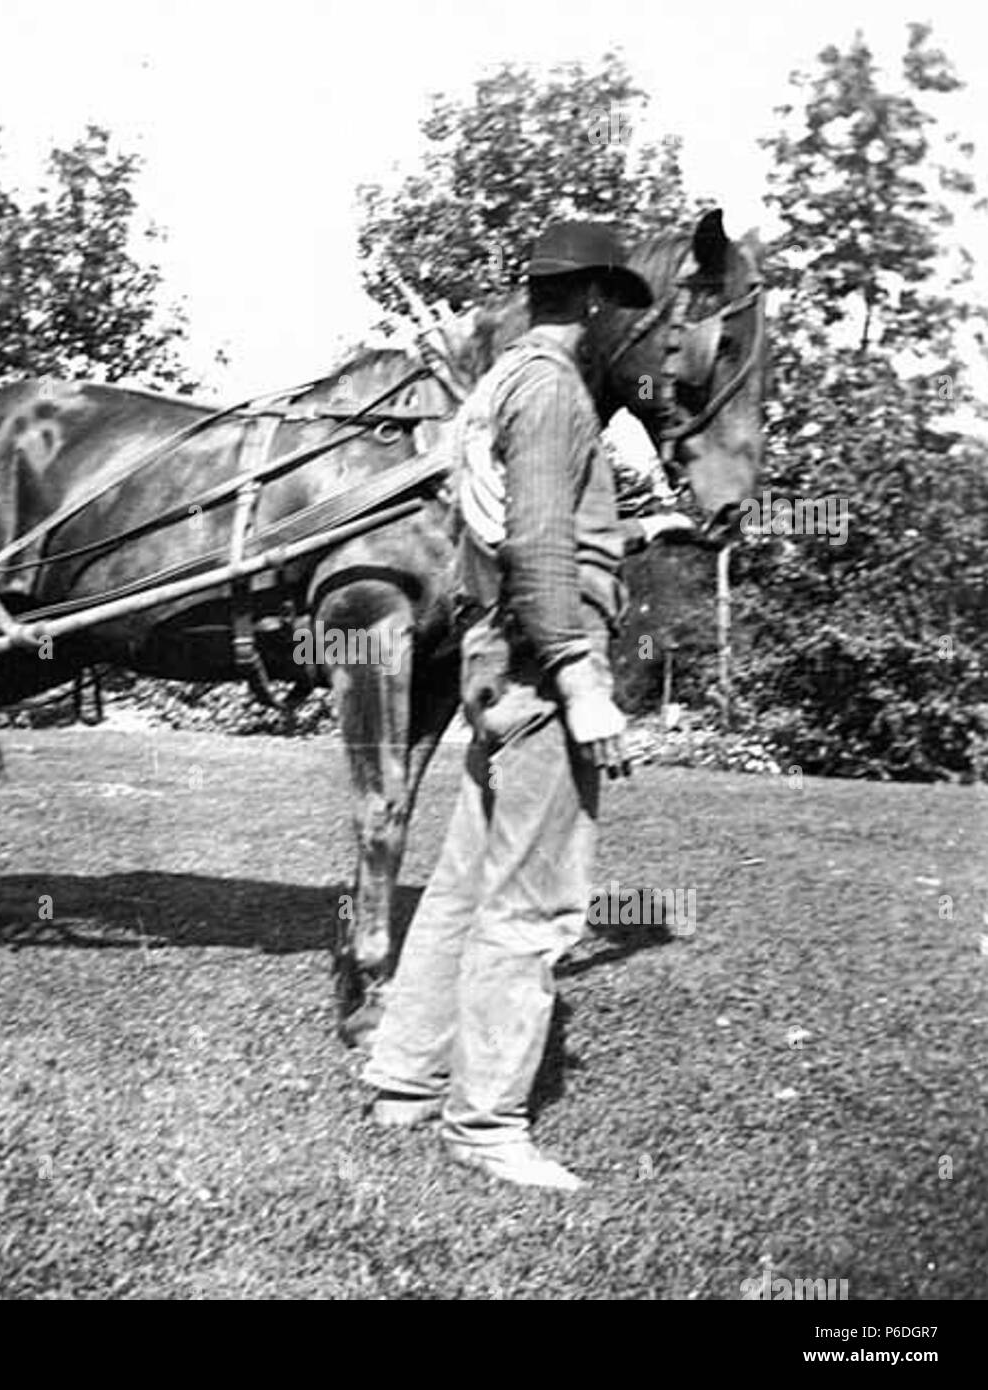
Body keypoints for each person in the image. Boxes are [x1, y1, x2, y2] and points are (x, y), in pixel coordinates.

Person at [362, 220, 688, 1190]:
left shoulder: (500, 382)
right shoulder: (555, 393)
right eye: (618, 304)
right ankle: (488, 1124)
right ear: (590, 300)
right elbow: (543, 545)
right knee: (535, 901)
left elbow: (509, 537)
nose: (623, 323)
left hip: (497, 656)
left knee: (463, 887)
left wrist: (630, 523)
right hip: (545, 670)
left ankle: (402, 1084)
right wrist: (583, 681)